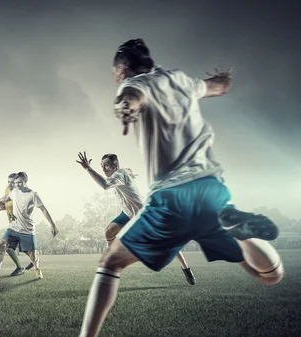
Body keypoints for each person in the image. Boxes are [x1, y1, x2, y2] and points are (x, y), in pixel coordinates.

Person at [78, 38, 284, 337]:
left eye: (115, 72)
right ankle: (240, 231)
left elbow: (131, 97)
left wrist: (126, 108)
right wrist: (223, 80)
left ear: (122, 69)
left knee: (110, 263)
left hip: (172, 196)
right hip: (212, 189)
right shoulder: (180, 79)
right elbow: (216, 87)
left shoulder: (133, 84)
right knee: (268, 275)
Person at [76, 152, 195, 285]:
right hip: (128, 213)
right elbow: (129, 170)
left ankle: (186, 268)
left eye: (107, 165)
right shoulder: (123, 172)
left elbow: (104, 185)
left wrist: (88, 168)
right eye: (102, 166)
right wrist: (131, 173)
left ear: (115, 165)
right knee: (109, 231)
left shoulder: (119, 175)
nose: (104, 169)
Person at [0, 172, 59, 287]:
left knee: (33, 256)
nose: (17, 185)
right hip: (14, 227)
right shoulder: (14, 191)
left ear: (26, 181)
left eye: (20, 182)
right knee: (2, 244)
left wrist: (53, 225)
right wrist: (1, 207)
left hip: (27, 229)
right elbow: (2, 200)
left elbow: (43, 209)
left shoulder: (33, 194)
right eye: (15, 183)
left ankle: (37, 268)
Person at [0, 173, 26, 276]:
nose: (10, 184)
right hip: (12, 223)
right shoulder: (7, 189)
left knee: (7, 245)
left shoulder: (20, 193)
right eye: (8, 182)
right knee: (17, 247)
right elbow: (8, 205)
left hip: (19, 224)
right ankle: (34, 262)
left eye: (12, 182)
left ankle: (21, 267)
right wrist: (1, 208)